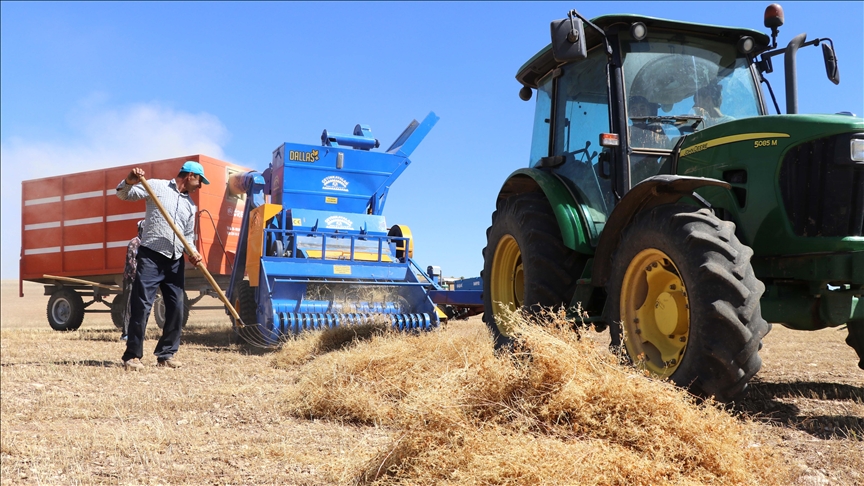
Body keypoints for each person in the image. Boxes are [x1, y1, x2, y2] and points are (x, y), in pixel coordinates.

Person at [116, 161, 209, 371]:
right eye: (200, 180)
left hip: (175, 260)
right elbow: (123, 194)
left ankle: (166, 354)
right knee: (142, 306)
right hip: (151, 256)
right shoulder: (156, 187)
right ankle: (132, 356)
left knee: (176, 307)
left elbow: (187, 236)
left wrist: (193, 253)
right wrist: (130, 179)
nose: (200, 186)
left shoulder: (190, 206)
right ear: (190, 175)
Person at [119, 220, 144, 341]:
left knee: (138, 306)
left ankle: (136, 333)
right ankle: (125, 333)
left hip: (140, 279)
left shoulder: (146, 243)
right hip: (130, 279)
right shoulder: (134, 243)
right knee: (128, 305)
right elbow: (131, 262)